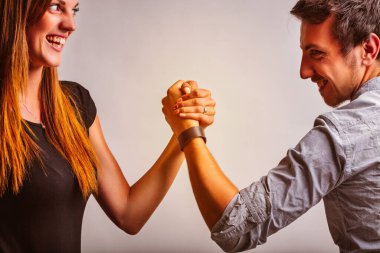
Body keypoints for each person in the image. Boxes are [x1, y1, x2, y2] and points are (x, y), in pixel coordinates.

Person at [162, 0, 380, 252]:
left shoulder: (345, 133)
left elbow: (234, 228)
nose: (304, 71)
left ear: (368, 49)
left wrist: (188, 130)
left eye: (316, 53)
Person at [0, 0, 216, 252]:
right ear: (17, 11)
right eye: (55, 7)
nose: (71, 25)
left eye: (74, 10)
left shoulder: (75, 106)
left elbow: (128, 212)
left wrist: (185, 131)